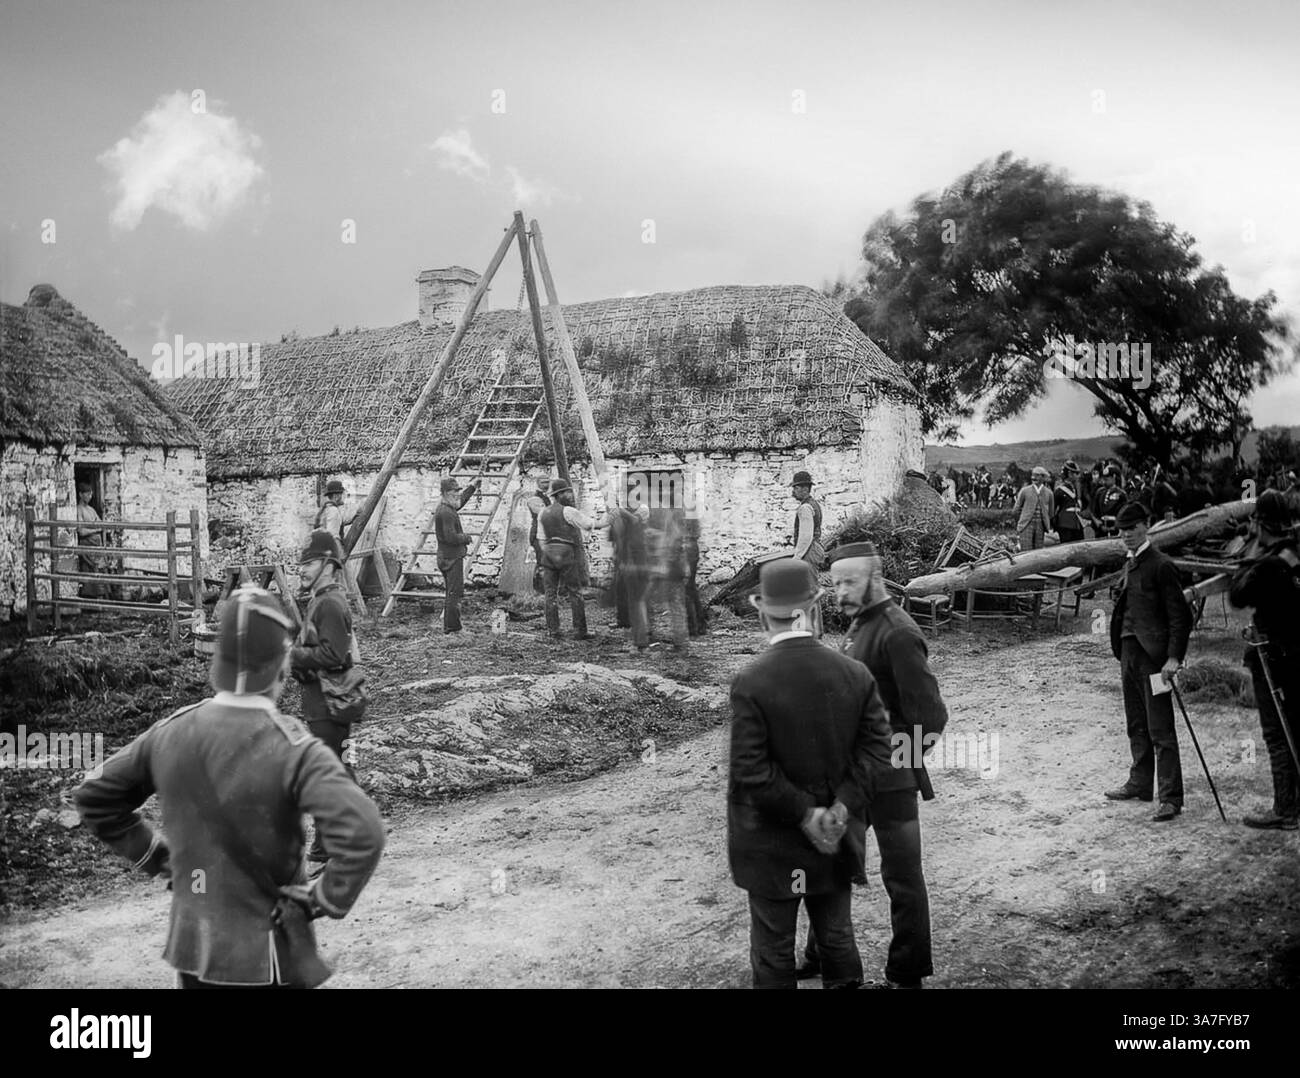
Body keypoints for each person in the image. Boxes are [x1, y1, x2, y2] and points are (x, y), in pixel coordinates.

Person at [74, 586, 384, 988]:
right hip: (266, 957)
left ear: (217, 662)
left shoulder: (169, 733)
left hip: (194, 950)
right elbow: (364, 832)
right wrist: (323, 898)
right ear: (281, 668)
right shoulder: (294, 749)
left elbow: (94, 796)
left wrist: (159, 858)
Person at [728, 558, 894, 989]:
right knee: (837, 937)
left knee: (773, 948)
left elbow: (751, 770)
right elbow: (879, 750)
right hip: (834, 841)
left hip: (770, 844)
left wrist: (805, 815)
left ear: (763, 613)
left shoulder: (751, 681)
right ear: (816, 606)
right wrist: (840, 808)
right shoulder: (854, 674)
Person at [801, 541, 948, 989]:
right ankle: (822, 955)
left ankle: (907, 975)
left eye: (849, 581)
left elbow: (931, 715)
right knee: (829, 864)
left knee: (901, 877)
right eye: (835, 582)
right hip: (853, 777)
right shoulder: (860, 626)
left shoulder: (897, 632)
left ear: (874, 578)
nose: (840, 591)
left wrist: (894, 766)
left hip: (888, 783)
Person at [1105, 502, 1192, 822]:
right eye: (1121, 530)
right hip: (1129, 654)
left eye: (1131, 529)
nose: (1125, 535)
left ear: (1147, 526)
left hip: (1155, 661)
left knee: (1160, 728)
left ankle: (1171, 798)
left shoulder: (1162, 565)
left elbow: (1179, 617)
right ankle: (1140, 783)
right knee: (1136, 723)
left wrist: (1173, 658)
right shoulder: (1130, 564)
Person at [1228, 490, 1300, 830]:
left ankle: (1286, 810)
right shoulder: (1293, 552)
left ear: (1260, 524)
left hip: (1275, 657)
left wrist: (1252, 548)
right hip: (1295, 651)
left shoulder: (1270, 563)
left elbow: (1237, 594)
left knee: (1277, 734)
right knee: (1296, 729)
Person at [291, 529, 363, 866]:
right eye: (302, 563)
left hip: (328, 703)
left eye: (310, 562)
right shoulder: (321, 601)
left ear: (329, 565)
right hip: (324, 702)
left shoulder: (330, 604)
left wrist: (292, 656)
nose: (302, 570)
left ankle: (325, 850)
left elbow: (334, 655)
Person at [537, 478, 602, 640]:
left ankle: (554, 630)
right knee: (575, 591)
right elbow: (588, 525)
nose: (570, 495)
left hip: (548, 554)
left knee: (550, 593)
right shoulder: (568, 511)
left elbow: (541, 539)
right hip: (566, 553)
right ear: (559, 495)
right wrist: (610, 520)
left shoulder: (543, 512)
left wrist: (549, 553)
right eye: (567, 492)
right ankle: (580, 630)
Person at [434, 475, 479, 635]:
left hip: (447, 556)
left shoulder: (447, 507)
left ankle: (450, 627)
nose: (457, 494)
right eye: (454, 491)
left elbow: (460, 501)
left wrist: (472, 487)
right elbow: (450, 537)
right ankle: (454, 628)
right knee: (455, 593)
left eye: (458, 490)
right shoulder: (446, 512)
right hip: (451, 558)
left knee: (451, 593)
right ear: (445, 492)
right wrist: (466, 538)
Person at [609, 502, 652, 649]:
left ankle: (644, 631)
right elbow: (616, 535)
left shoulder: (643, 508)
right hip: (625, 556)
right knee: (623, 590)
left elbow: (635, 520)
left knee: (638, 594)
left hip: (639, 556)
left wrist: (620, 511)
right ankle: (625, 622)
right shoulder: (623, 512)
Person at [75, 480, 110, 599]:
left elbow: (101, 524)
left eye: (91, 494)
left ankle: (102, 598)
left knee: (101, 570)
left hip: (97, 545)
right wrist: (95, 529)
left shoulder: (91, 510)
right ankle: (91, 600)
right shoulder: (79, 509)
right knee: (91, 570)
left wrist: (96, 527)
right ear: (80, 494)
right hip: (87, 546)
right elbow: (81, 531)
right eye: (87, 494)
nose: (90, 496)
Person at [789, 470, 826, 568]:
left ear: (805, 489)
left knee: (809, 582)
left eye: (796, 488)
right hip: (814, 548)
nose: (793, 492)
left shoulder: (805, 508)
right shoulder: (813, 504)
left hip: (809, 551)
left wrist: (797, 557)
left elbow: (806, 536)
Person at [1013, 466, 1055, 551]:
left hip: (1041, 526)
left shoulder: (1049, 493)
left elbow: (1051, 513)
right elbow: (1016, 510)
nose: (1033, 477)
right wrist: (1021, 522)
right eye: (1033, 475)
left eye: (1037, 475)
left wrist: (1045, 522)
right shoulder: (1025, 491)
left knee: (1038, 552)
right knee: (1025, 551)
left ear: (1043, 477)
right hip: (1025, 525)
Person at [525, 475, 550, 596]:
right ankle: (538, 591)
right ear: (538, 483)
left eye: (547, 482)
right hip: (537, 535)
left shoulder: (547, 497)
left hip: (546, 534)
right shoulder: (534, 499)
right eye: (543, 482)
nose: (546, 484)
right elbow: (544, 514)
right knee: (541, 562)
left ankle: (545, 590)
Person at [1053, 461, 1086, 543]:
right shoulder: (1060, 491)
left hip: (1076, 523)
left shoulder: (1075, 488)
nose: (1078, 476)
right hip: (1065, 524)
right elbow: (1053, 509)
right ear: (1070, 473)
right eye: (1076, 474)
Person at [1090, 467, 1127, 536]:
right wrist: (1100, 526)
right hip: (1101, 530)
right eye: (1103, 479)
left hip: (1116, 529)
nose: (1104, 482)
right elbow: (1094, 512)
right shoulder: (1099, 492)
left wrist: (1116, 527)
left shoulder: (1121, 494)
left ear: (1114, 477)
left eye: (1107, 479)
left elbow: (1124, 513)